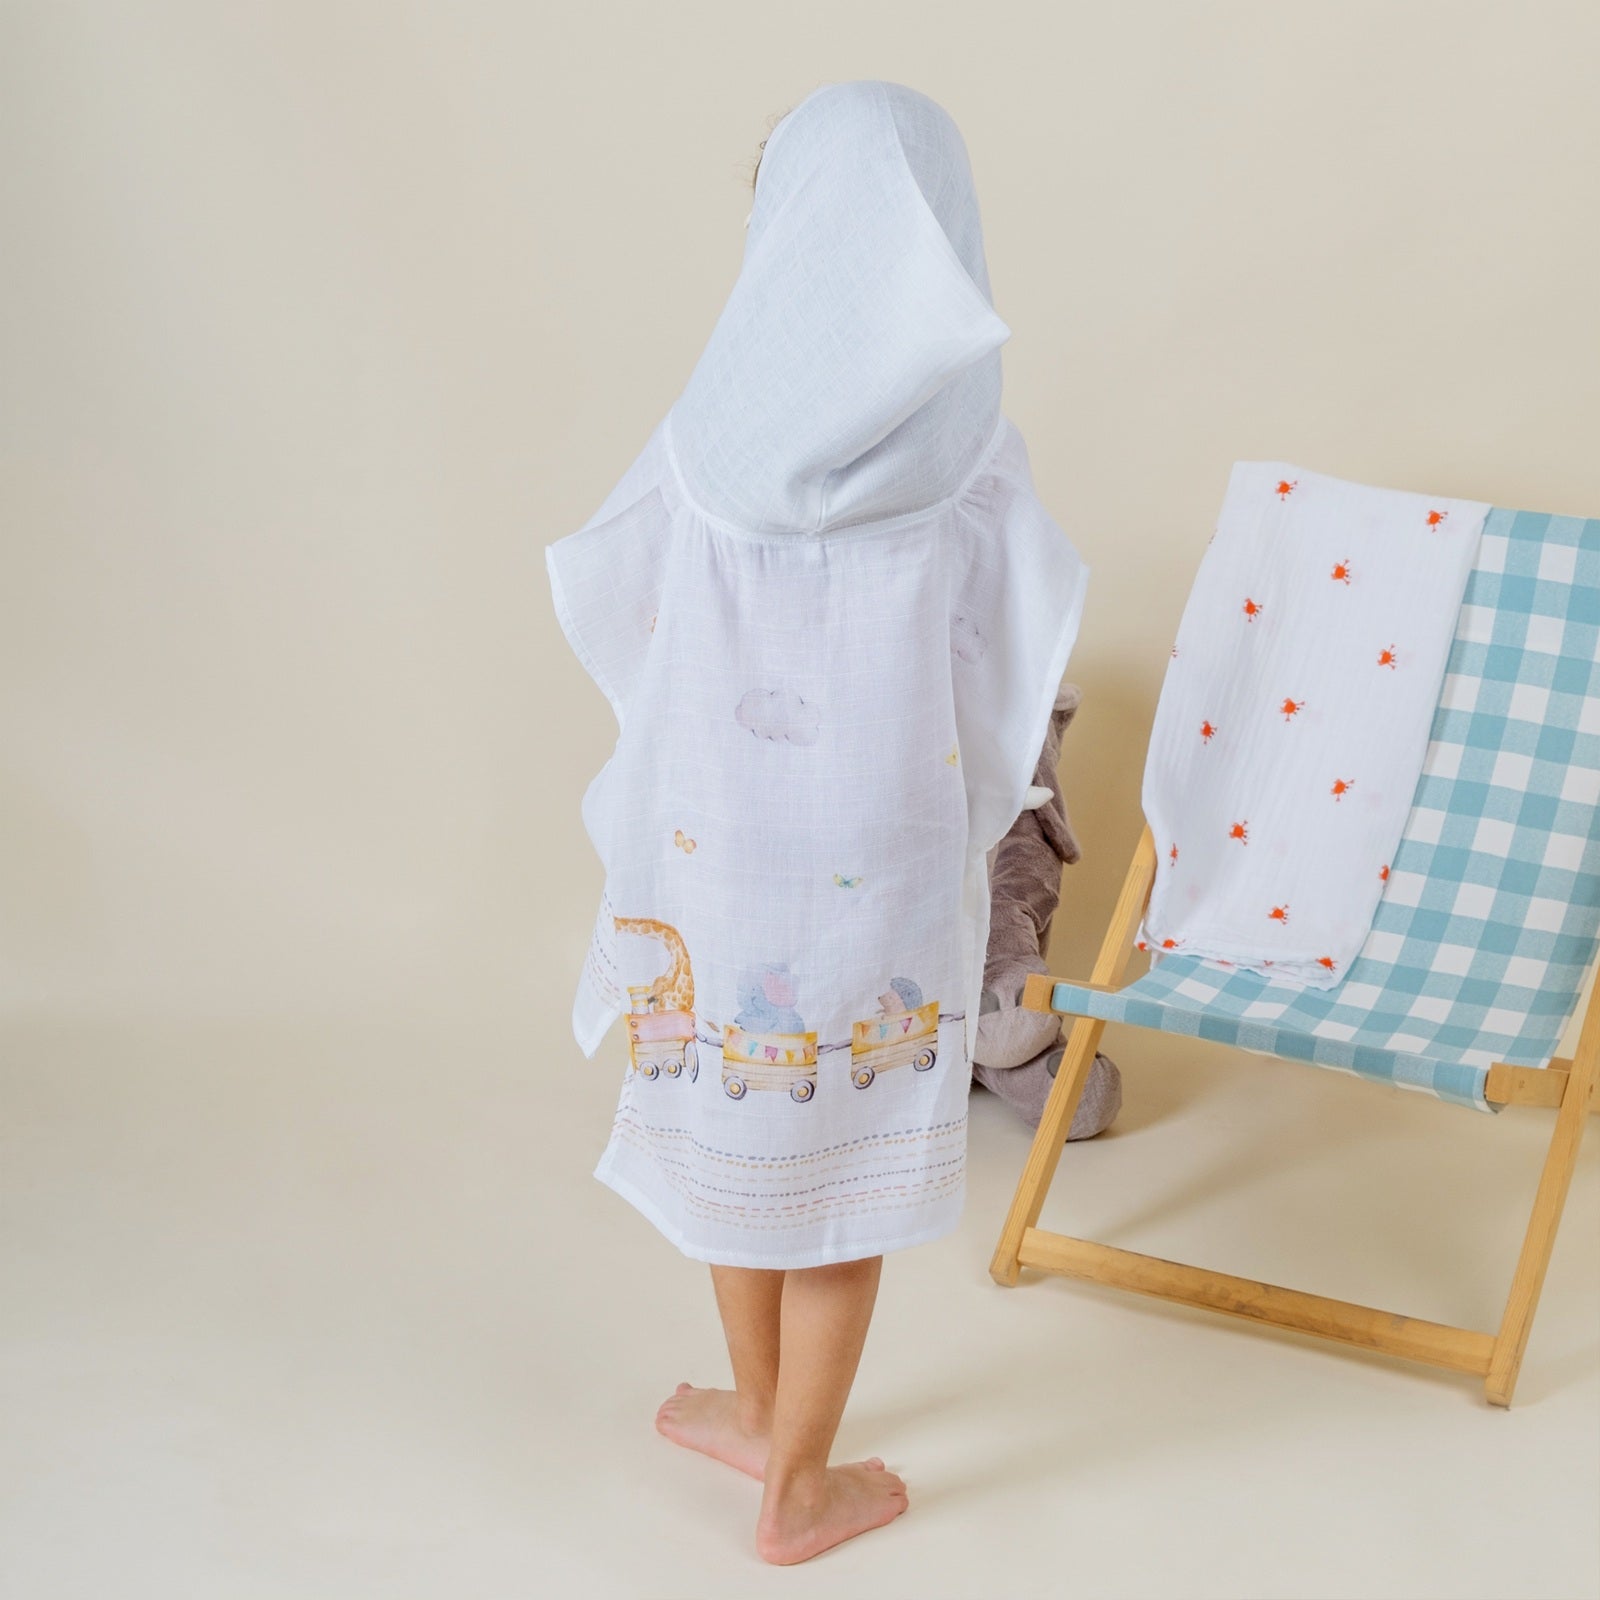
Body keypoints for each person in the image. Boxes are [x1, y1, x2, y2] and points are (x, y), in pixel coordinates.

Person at [546, 80, 1089, 1564]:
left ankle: (755, 1415)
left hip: (709, 852)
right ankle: (796, 1476)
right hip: (885, 861)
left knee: (740, 1105)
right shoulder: (967, 455)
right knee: (845, 1152)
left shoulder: (709, 434)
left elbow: (615, 590)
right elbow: (1014, 653)